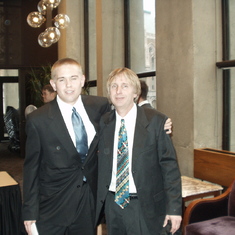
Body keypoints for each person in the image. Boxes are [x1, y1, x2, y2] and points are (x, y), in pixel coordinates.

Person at [22, 58, 111, 235]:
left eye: (73, 78)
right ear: (53, 84)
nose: (68, 85)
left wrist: (157, 122)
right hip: (52, 205)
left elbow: (127, 113)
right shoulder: (38, 120)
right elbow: (32, 168)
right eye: (62, 79)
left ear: (82, 80)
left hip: (87, 202)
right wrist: (30, 212)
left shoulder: (99, 106)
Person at [96, 68, 182, 235]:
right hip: (113, 206)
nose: (118, 91)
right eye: (114, 86)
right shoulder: (104, 122)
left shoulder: (156, 121)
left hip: (145, 206)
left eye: (125, 86)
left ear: (136, 92)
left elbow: (170, 169)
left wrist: (174, 208)